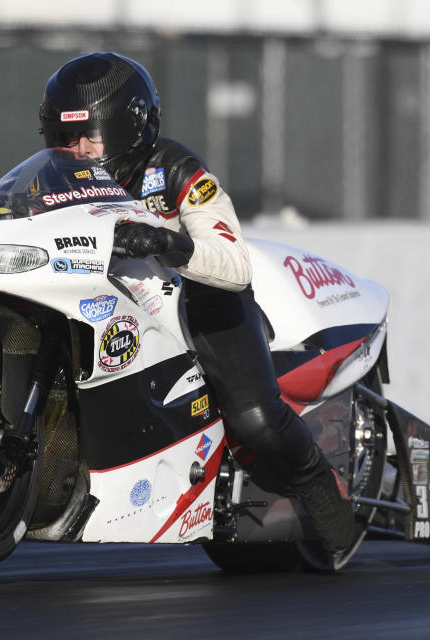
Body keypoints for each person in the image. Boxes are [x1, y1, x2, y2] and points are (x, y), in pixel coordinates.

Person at [38, 52, 356, 554]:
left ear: (131, 128)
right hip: (110, 309)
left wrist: (169, 244)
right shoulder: (50, 182)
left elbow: (234, 262)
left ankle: (319, 485)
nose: (76, 149)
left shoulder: (176, 169)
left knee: (255, 420)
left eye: (89, 135)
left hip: (200, 304)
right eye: (64, 137)